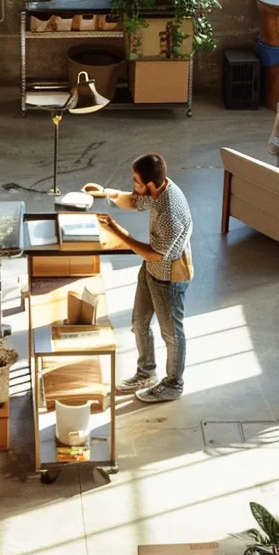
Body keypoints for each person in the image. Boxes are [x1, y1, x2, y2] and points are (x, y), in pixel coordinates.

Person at [81, 153, 192, 403]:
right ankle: (146, 372)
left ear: (150, 184)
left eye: (135, 180)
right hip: (152, 270)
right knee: (139, 322)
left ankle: (174, 383)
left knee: (172, 333)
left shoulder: (170, 212)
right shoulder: (158, 189)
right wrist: (105, 192)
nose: (133, 184)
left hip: (169, 277)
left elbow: (153, 254)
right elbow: (135, 201)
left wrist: (117, 231)